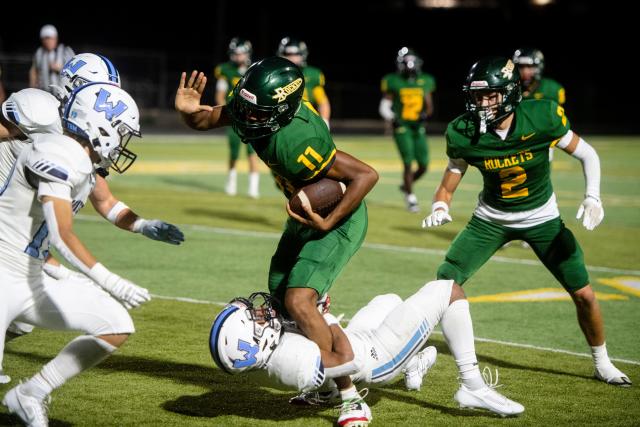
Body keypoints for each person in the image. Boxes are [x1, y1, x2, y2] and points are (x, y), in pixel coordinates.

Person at [175, 56, 379, 426]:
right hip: (305, 216)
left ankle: (349, 397)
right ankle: (325, 373)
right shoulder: (254, 108)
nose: (246, 118)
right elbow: (206, 119)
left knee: (298, 301)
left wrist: (327, 220)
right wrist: (189, 112)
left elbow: (365, 175)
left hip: (338, 219)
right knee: (281, 296)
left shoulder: (298, 138)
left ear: (282, 111)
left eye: (256, 114)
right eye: (245, 108)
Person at [422, 56, 631, 387]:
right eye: (477, 96)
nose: (482, 103)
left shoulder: (542, 116)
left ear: (509, 93)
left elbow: (587, 153)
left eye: (490, 95)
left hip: (542, 218)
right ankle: (429, 356)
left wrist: (593, 196)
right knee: (444, 283)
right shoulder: (463, 132)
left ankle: (602, 361)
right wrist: (439, 205)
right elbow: (450, 180)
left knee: (586, 294)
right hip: (490, 220)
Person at [0, 53, 184, 384]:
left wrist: (142, 224)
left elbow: (104, 199)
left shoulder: (80, 141)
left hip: (29, 242)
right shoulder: (39, 110)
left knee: (24, 319)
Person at [1, 83, 150, 426]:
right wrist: (109, 279)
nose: (123, 142)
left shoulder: (80, 161)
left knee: (115, 323)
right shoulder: (55, 150)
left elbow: (103, 205)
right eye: (122, 132)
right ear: (100, 125)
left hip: (27, 275)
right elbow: (61, 234)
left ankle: (31, 393)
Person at [210, 280, 525, 420]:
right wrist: (323, 315)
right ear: (253, 344)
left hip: (358, 341)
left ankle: (413, 363)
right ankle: (472, 385)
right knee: (448, 291)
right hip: (374, 358)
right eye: (254, 319)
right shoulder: (294, 360)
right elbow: (343, 360)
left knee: (387, 299)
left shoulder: (268, 359)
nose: (260, 313)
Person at [380, 47, 435, 213]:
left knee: (424, 165)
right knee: (408, 162)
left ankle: (405, 186)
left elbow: (429, 105)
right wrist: (392, 118)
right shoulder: (393, 80)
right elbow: (385, 105)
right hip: (402, 126)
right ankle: (411, 197)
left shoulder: (425, 80)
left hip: (418, 127)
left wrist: (426, 115)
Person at [214, 37, 260, 198]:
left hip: (252, 117)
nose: (238, 57)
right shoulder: (225, 70)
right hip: (234, 117)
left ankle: (254, 187)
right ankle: (231, 182)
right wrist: (227, 112)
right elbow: (220, 95)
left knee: (252, 152)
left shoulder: (254, 69)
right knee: (233, 152)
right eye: (236, 53)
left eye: (240, 53)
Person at [277, 37, 331, 128]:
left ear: (303, 54)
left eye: (296, 54)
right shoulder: (276, 75)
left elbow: (322, 101)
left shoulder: (312, 74)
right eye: (288, 54)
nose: (292, 57)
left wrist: (325, 122)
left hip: (307, 121)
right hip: (281, 122)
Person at [29, 25, 75, 94]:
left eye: (50, 38)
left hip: (63, 93)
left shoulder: (65, 51)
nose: (48, 41)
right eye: (45, 39)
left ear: (55, 38)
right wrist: (32, 88)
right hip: (44, 94)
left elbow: (76, 69)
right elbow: (34, 70)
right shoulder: (39, 52)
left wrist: (61, 68)